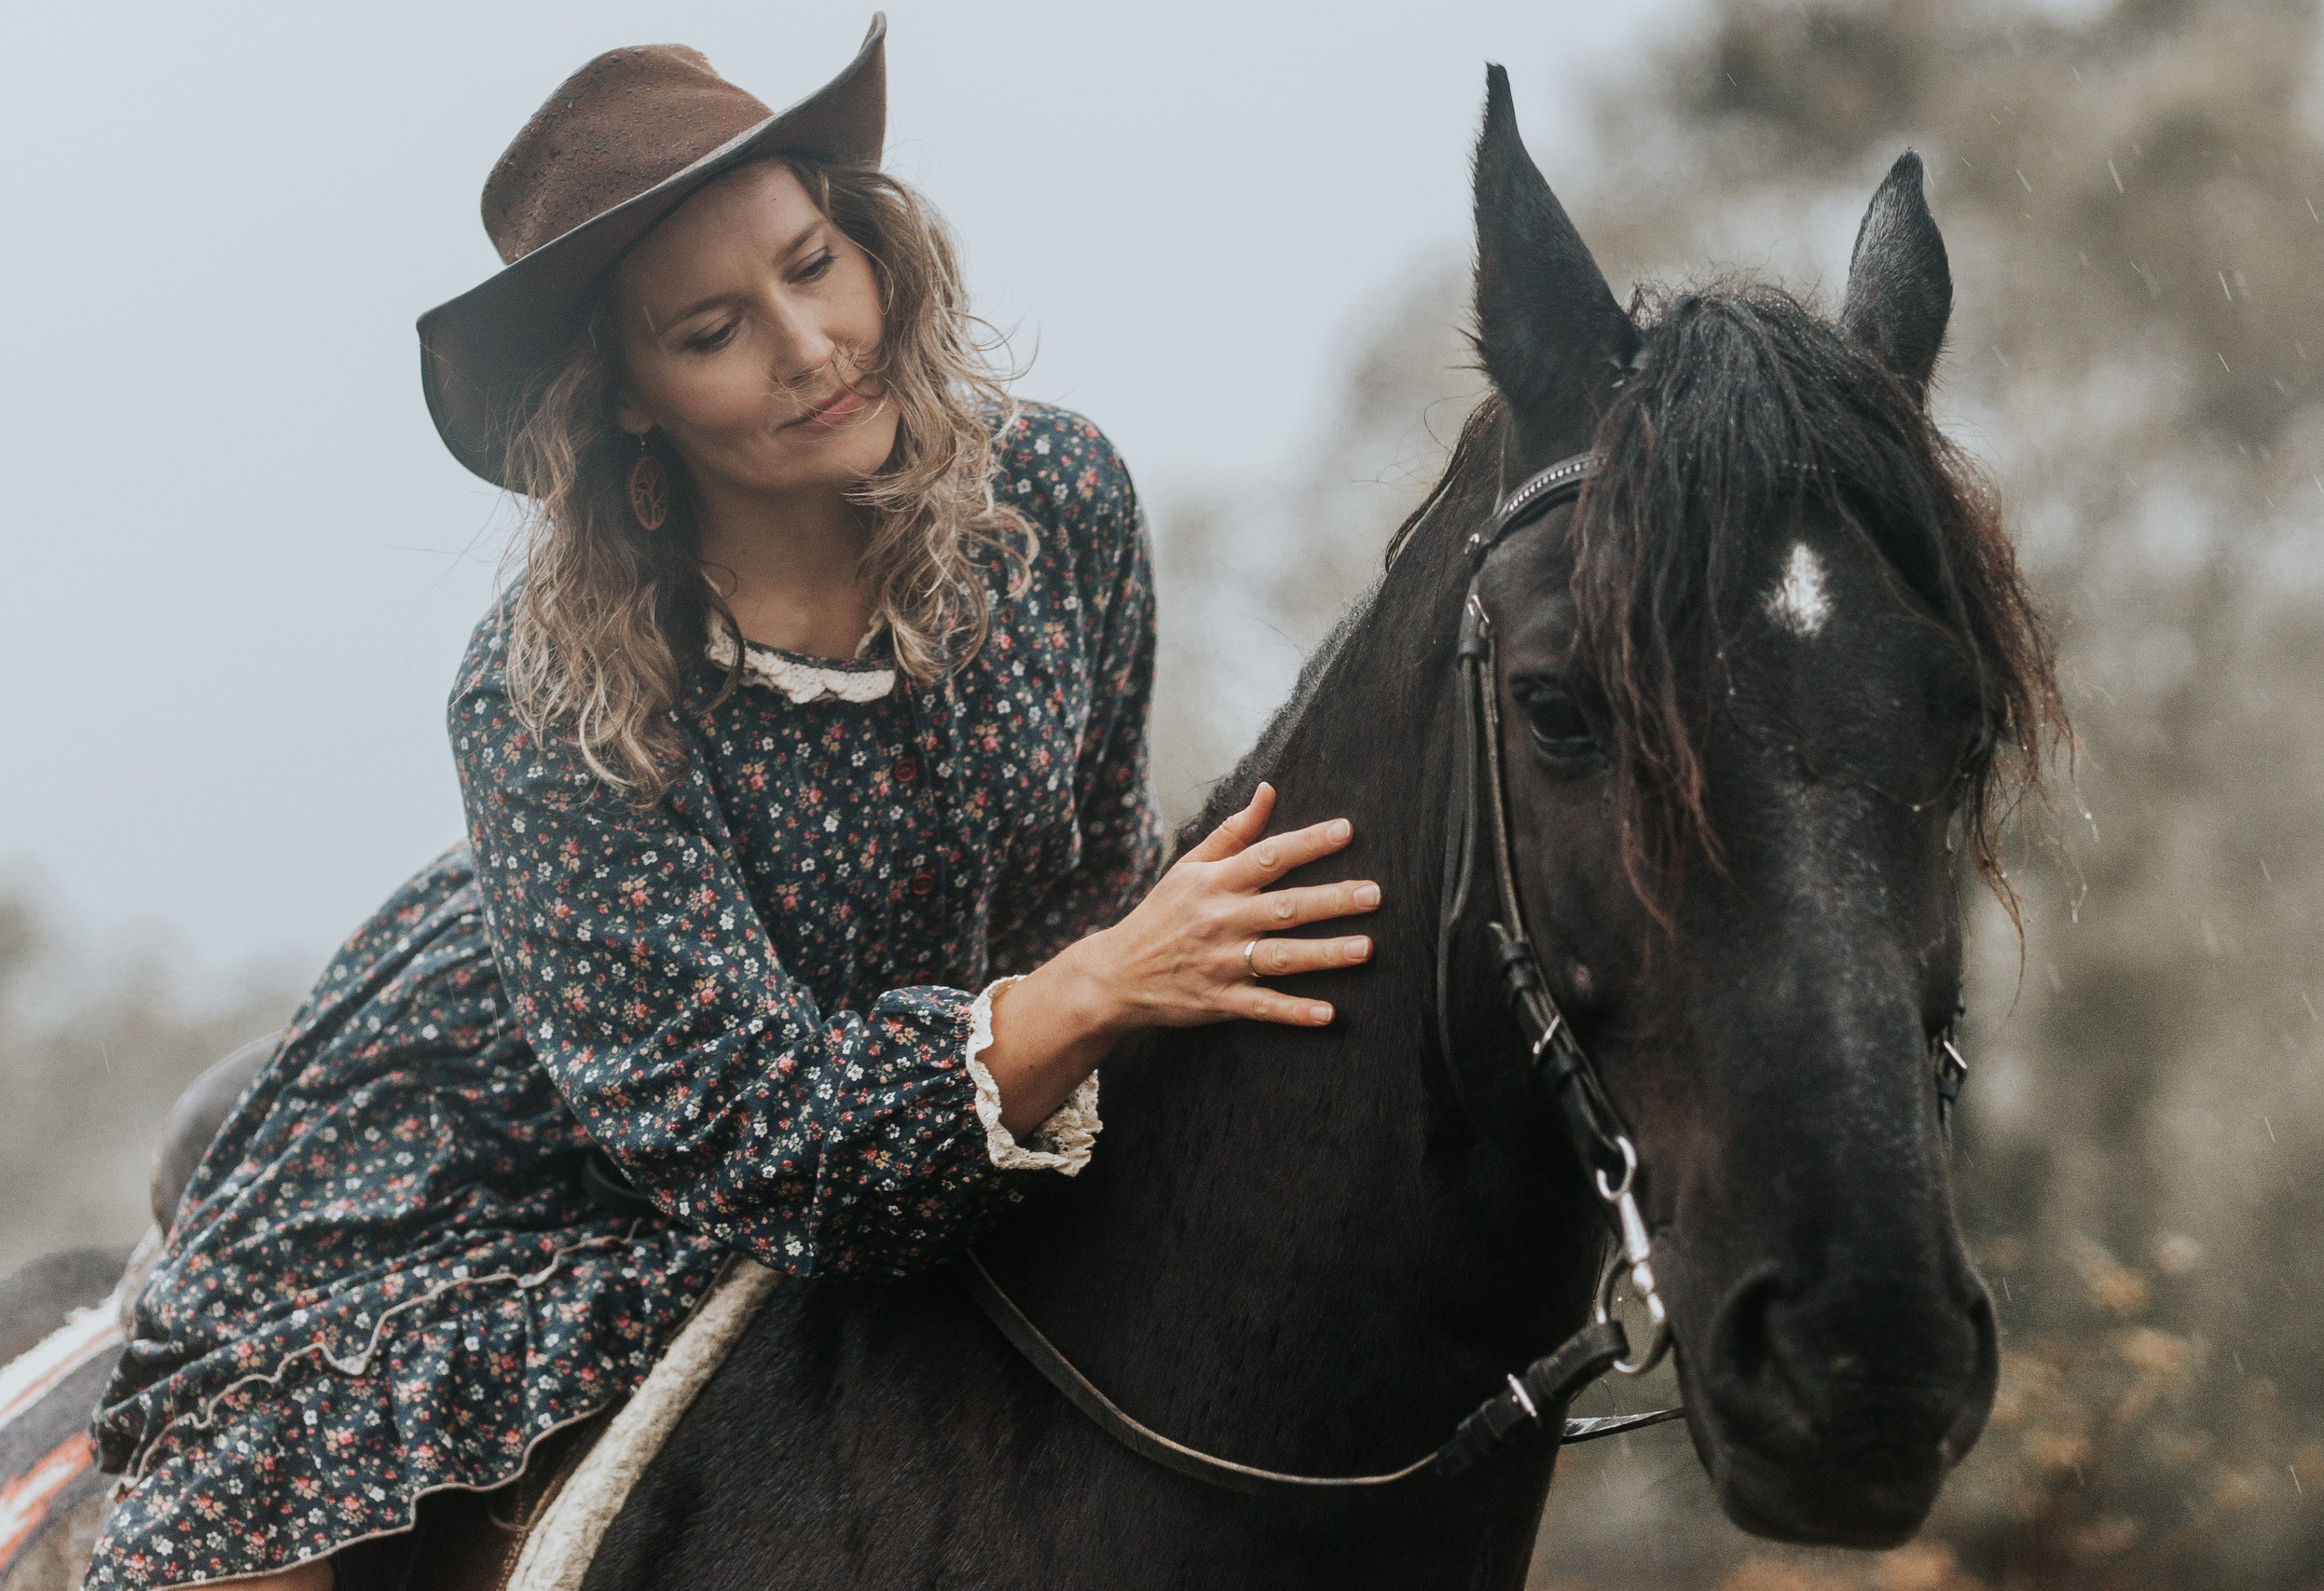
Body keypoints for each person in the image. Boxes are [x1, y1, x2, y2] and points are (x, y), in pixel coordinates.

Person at [85, 20, 1380, 1589]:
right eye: (712, 330)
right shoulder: (543, 696)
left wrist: (1113, 998)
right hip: (546, 1155)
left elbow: (1086, 877)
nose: (814, 345)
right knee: (243, 1517)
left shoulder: (1059, 504)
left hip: (956, 1069)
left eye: (816, 262)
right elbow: (751, 1138)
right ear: (625, 397)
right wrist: (1090, 992)